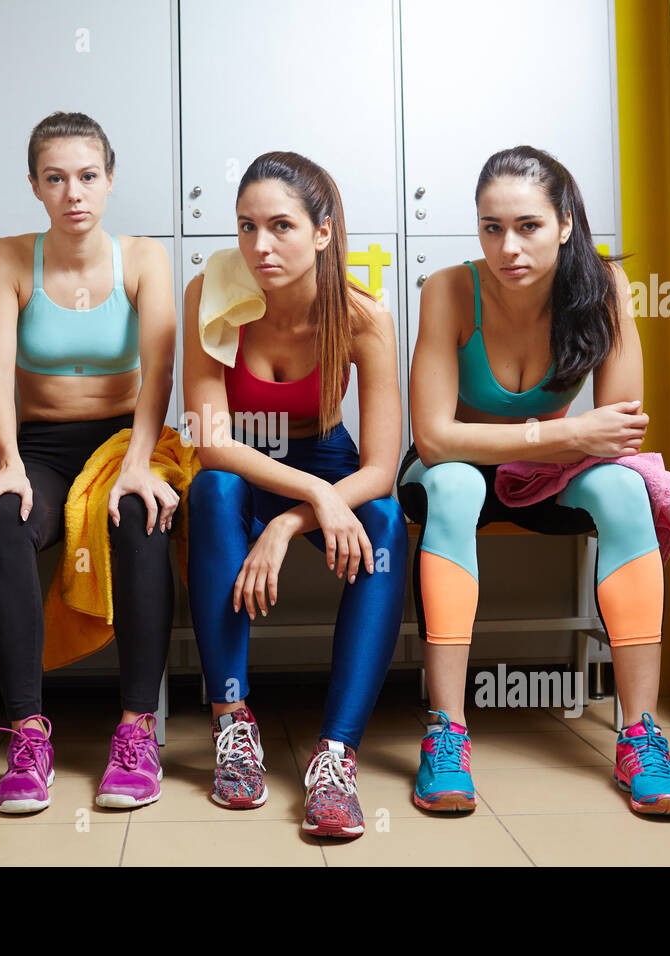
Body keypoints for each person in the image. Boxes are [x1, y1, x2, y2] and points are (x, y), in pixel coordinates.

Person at [400, 145, 670, 818]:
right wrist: (562, 433)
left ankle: (640, 736)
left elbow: (619, 432)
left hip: (552, 476)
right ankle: (446, 732)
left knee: (623, 489)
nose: (508, 246)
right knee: (455, 487)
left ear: (565, 223)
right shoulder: (449, 288)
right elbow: (436, 439)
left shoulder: (603, 288)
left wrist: (565, 444)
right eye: (491, 227)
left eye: (527, 225)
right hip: (457, 470)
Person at [183, 151, 407, 838]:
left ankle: (336, 756)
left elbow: (381, 466)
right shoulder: (209, 296)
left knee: (386, 520)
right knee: (214, 490)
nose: (259, 246)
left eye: (280, 225)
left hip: (329, 460)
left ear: (323, 232)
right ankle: (232, 724)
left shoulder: (363, 317)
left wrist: (287, 525)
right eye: (246, 226)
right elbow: (212, 441)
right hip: (249, 464)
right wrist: (312, 497)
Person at [0, 112, 179, 812]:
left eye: (88, 176)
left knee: (139, 510)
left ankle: (136, 728)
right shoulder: (8, 257)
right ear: (34, 185)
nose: (74, 193)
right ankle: (28, 735)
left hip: (126, 438)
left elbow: (159, 374)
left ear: (110, 180)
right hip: (39, 448)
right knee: (2, 517)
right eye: (55, 178)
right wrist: (6, 462)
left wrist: (141, 462)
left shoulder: (145, 259)